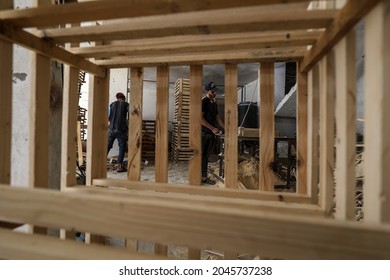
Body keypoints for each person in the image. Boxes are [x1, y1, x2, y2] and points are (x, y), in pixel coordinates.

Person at [201, 82, 225, 184]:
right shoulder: (204, 102)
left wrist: (226, 128)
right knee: (201, 155)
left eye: (215, 91)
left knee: (206, 156)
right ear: (207, 91)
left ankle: (203, 177)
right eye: (212, 91)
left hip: (210, 134)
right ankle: (199, 177)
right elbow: (199, 118)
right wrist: (212, 128)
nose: (214, 93)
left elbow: (217, 118)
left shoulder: (213, 103)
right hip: (203, 133)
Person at [107, 92, 129, 172]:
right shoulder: (126, 105)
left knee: (108, 146)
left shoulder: (111, 105)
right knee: (122, 148)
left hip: (111, 129)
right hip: (121, 129)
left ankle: (101, 164)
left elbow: (108, 117)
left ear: (117, 98)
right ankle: (119, 167)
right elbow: (132, 115)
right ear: (123, 98)